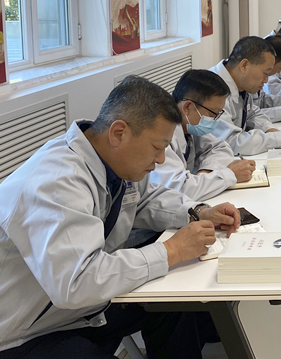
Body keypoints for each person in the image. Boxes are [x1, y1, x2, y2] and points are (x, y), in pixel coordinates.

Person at [0, 76, 240, 359]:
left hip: (80, 310)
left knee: (173, 305)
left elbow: (144, 200)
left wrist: (197, 212)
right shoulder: (56, 182)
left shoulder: (114, 162)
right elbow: (77, 282)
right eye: (157, 147)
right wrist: (171, 251)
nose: (161, 159)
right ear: (118, 133)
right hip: (25, 332)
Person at [151, 69, 257, 199]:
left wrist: (206, 172)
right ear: (187, 107)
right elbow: (179, 190)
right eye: (212, 113)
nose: (215, 120)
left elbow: (220, 147)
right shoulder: (162, 137)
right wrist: (229, 174)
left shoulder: (189, 127)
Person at [209, 36, 281, 155]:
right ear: (244, 65)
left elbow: (252, 114)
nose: (266, 80)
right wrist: (280, 138)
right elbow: (230, 142)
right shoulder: (212, 90)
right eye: (265, 73)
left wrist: (270, 130)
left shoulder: (242, 84)